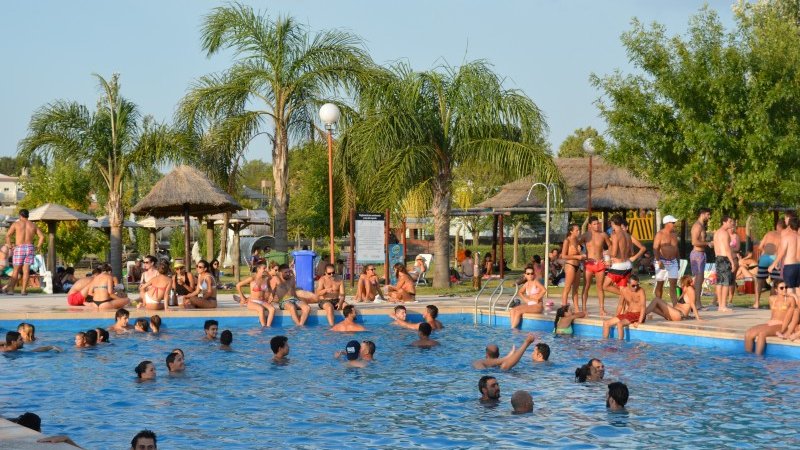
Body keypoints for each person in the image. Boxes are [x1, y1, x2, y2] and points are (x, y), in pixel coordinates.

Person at [744, 281, 795, 355]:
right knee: (748, 333)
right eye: (782, 288)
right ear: (776, 290)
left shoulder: (790, 300)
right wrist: (769, 324)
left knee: (762, 334)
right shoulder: (772, 299)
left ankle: (758, 358)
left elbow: (788, 318)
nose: (785, 289)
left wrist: (783, 330)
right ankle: (748, 357)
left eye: (786, 287)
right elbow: (773, 314)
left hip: (782, 324)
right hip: (771, 323)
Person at [3, 208, 45, 295]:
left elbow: (7, 236)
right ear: (28, 216)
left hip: (19, 247)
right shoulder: (33, 225)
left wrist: (10, 246)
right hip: (29, 247)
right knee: (26, 270)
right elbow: (42, 236)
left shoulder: (16, 224)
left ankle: (11, 290)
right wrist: (38, 246)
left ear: (20, 215)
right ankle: (23, 290)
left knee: (16, 270)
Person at [581, 216, 612, 316]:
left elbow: (610, 245)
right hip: (589, 264)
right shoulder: (585, 235)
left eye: (598, 223)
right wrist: (582, 256)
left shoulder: (603, 235)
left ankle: (602, 309)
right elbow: (576, 244)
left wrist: (607, 257)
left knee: (600, 287)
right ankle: (584, 309)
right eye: (594, 224)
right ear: (590, 225)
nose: (597, 225)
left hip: (599, 263)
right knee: (586, 286)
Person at [602, 275, 646, 339]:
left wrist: (640, 321)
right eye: (633, 285)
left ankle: (620, 343)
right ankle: (605, 342)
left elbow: (643, 307)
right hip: (628, 314)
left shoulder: (641, 291)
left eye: (637, 285)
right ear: (628, 284)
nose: (636, 287)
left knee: (619, 324)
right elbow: (620, 305)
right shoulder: (624, 291)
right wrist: (616, 316)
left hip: (637, 314)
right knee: (606, 323)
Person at [234, 262, 276, 327]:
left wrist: (266, 272)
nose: (265, 270)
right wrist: (242, 297)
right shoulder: (252, 278)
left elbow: (272, 277)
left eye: (266, 268)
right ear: (258, 269)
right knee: (261, 309)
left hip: (262, 301)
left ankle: (268, 327)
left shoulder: (265, 278)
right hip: (252, 301)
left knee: (272, 309)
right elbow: (238, 285)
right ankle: (263, 327)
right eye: (264, 268)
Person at [709, 216, 736, 312]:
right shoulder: (725, 233)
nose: (732, 223)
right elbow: (727, 249)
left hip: (718, 258)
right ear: (724, 222)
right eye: (730, 221)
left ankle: (720, 305)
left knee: (719, 282)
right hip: (724, 259)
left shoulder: (717, 233)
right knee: (725, 283)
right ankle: (723, 306)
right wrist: (732, 262)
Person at [769, 216, 800, 300]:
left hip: (790, 266)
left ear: (789, 226)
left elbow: (782, 252)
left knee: (790, 291)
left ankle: (793, 306)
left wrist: (773, 264)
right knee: (798, 290)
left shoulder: (787, 237)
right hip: (799, 265)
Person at [653, 215, 681, 305]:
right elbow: (655, 248)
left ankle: (675, 306)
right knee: (660, 283)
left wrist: (678, 260)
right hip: (662, 260)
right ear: (667, 223)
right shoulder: (660, 234)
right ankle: (658, 304)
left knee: (673, 285)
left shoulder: (674, 234)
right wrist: (658, 261)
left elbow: (676, 248)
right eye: (673, 222)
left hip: (673, 261)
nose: (674, 224)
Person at [690, 208, 712, 308]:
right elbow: (694, 242)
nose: (709, 216)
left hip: (701, 254)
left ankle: (696, 302)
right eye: (708, 214)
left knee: (700, 279)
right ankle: (696, 303)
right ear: (702, 214)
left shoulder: (702, 225)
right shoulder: (697, 226)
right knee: (698, 279)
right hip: (697, 254)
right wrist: (707, 243)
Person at [559, 224, 584, 307]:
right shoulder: (567, 240)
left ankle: (576, 308)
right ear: (571, 231)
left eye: (579, 230)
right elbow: (563, 256)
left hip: (578, 265)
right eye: (577, 230)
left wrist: (581, 254)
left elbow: (579, 254)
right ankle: (564, 307)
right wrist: (577, 256)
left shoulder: (577, 240)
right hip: (570, 265)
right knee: (567, 287)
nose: (579, 232)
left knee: (576, 289)